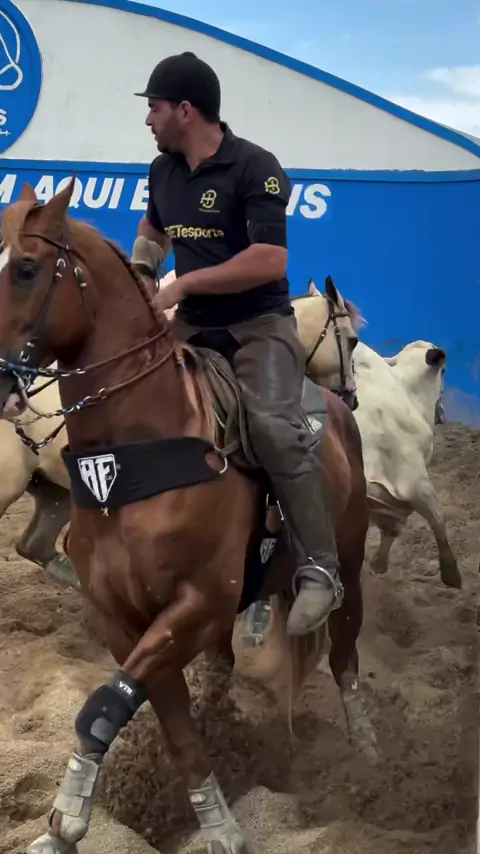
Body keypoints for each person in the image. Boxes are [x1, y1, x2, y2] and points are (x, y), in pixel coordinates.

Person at [131, 51, 344, 635]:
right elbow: (154, 228)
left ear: (185, 110)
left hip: (258, 326)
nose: (147, 119)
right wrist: (144, 270)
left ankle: (320, 569)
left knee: (273, 428)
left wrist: (184, 285)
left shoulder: (255, 167)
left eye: (154, 108)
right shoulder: (162, 170)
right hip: (193, 326)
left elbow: (270, 259)